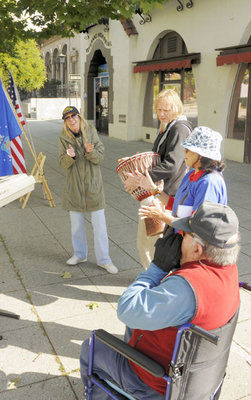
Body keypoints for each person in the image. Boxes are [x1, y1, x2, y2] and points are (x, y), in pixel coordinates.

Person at [80, 201, 240, 399]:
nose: (178, 240)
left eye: (184, 236)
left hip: (157, 384)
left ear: (198, 250)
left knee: (91, 346)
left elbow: (126, 308)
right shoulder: (228, 272)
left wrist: (157, 267)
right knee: (133, 327)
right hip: (199, 380)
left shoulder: (186, 289)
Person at [137, 126, 227, 270]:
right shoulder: (191, 175)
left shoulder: (209, 182)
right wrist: (153, 190)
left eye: (188, 150)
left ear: (202, 155)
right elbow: (178, 205)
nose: (184, 152)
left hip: (197, 252)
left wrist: (161, 216)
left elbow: (197, 225)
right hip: (182, 242)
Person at [121, 89, 192, 269]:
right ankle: (151, 277)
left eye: (166, 110)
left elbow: (172, 165)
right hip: (157, 192)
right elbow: (159, 158)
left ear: (176, 108)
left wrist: (141, 176)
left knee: (151, 242)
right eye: (158, 109)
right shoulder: (168, 126)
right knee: (146, 241)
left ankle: (154, 279)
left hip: (163, 194)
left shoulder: (178, 129)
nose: (161, 114)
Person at [58, 106, 118, 274]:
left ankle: (104, 260)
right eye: (68, 117)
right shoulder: (63, 137)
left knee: (99, 225)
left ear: (79, 117)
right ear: (65, 121)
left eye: (74, 115)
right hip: (74, 187)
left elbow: (100, 157)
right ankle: (79, 254)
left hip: (93, 186)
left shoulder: (91, 132)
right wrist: (69, 156)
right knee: (76, 225)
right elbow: (62, 163)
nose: (72, 119)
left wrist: (90, 152)